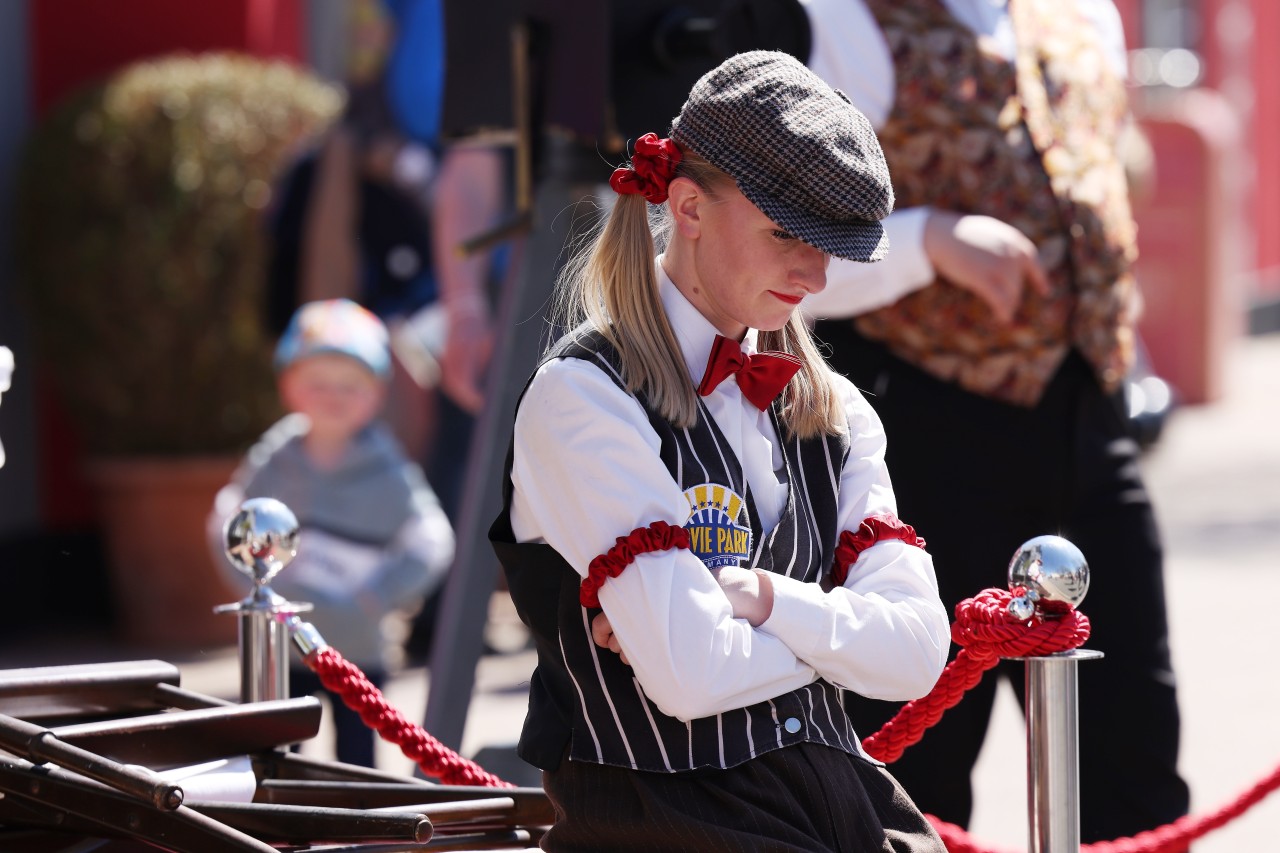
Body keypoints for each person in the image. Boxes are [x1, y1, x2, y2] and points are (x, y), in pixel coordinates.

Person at [489, 51, 952, 851]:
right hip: (660, 822)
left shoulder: (833, 410)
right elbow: (690, 674)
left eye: (831, 243)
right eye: (785, 234)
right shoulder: (583, 398)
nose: (813, 275)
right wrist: (842, 642)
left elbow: (918, 653)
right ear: (688, 205)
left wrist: (765, 601)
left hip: (844, 795)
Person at [797, 0, 1192, 843]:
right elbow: (781, 254)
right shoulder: (840, 17)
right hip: (921, 434)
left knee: (1135, 761)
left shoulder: (1084, 12)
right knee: (913, 774)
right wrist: (927, 239)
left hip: (1087, 423)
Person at [210, 298, 455, 768]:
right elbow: (227, 518)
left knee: (356, 764)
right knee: (275, 758)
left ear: (377, 393)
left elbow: (432, 539)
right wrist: (250, 589)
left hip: (357, 648)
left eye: (351, 385)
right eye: (317, 383)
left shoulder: (388, 468)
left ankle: (356, 836)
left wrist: (379, 596)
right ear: (288, 385)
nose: (333, 396)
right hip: (280, 650)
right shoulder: (273, 459)